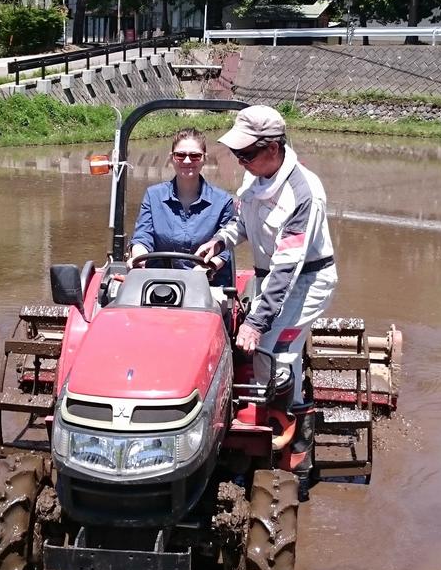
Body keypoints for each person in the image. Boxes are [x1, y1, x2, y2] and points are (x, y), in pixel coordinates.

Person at [196, 105, 336, 496]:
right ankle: (251, 432)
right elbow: (242, 222)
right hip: (268, 276)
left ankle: (295, 459)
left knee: (275, 358)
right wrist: (220, 242)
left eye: (247, 153)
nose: (240, 160)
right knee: (249, 352)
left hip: (305, 281)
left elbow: (288, 270)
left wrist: (258, 323)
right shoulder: (256, 177)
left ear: (273, 147)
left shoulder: (303, 193)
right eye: (238, 154)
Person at [130, 129, 235, 286]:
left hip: (206, 282)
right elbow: (143, 236)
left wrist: (204, 270)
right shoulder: (153, 195)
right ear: (171, 158)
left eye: (194, 156)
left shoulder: (223, 201)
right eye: (180, 155)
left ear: (204, 159)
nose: (187, 161)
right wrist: (139, 257)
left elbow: (224, 249)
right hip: (158, 280)